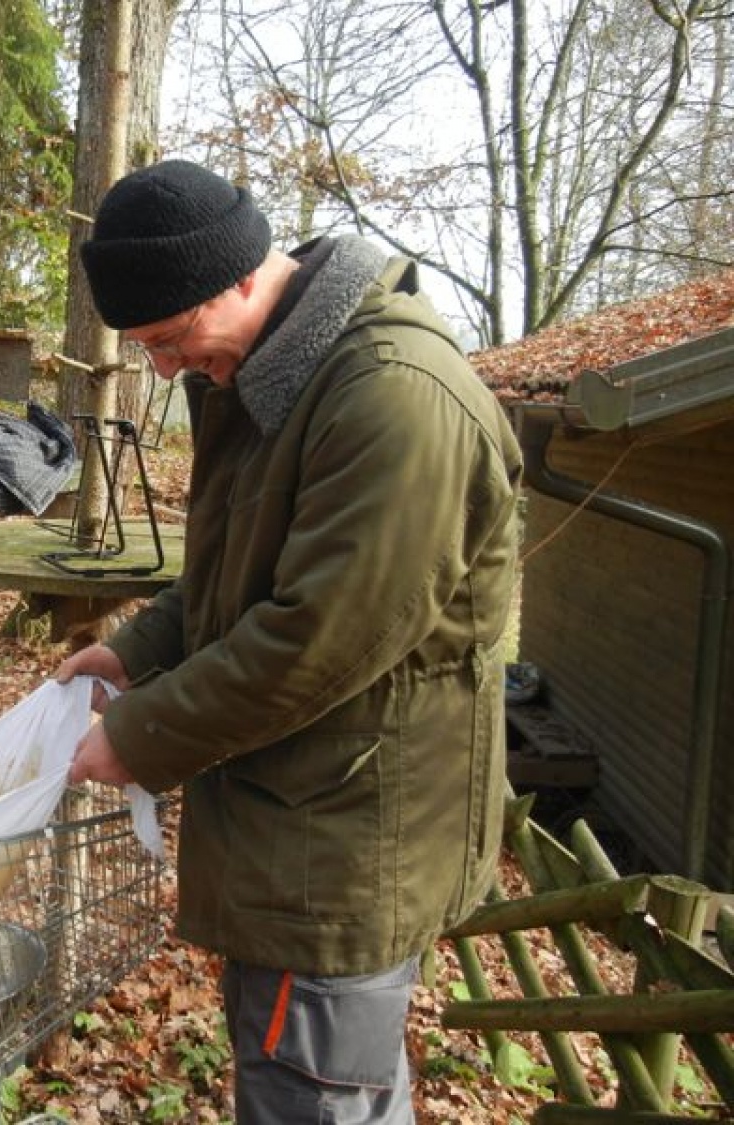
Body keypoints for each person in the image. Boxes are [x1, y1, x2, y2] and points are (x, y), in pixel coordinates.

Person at [59, 159, 523, 1124]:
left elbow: (314, 638)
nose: (164, 368)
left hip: (346, 844)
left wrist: (141, 737)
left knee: (316, 1097)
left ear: (236, 275)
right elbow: (237, 572)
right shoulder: (274, 369)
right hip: (300, 819)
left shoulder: (390, 397)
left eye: (171, 339)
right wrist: (137, 651)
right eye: (145, 346)